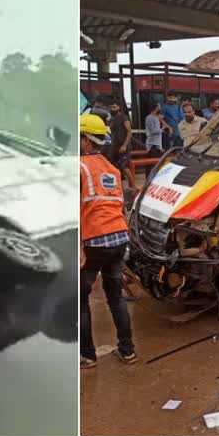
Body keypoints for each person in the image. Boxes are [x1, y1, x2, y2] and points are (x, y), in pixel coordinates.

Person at [79, 114, 137, 369]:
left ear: (86, 141)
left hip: (93, 240)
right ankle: (127, 350)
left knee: (80, 299)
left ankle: (87, 355)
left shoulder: (78, 168)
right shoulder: (112, 169)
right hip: (118, 237)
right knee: (115, 295)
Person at [108, 102, 138, 191]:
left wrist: (124, 145)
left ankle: (133, 187)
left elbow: (129, 132)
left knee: (124, 166)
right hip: (114, 146)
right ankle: (118, 187)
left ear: (118, 107)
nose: (112, 109)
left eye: (114, 106)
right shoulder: (111, 119)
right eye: (111, 107)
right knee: (114, 167)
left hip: (123, 146)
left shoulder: (123, 117)